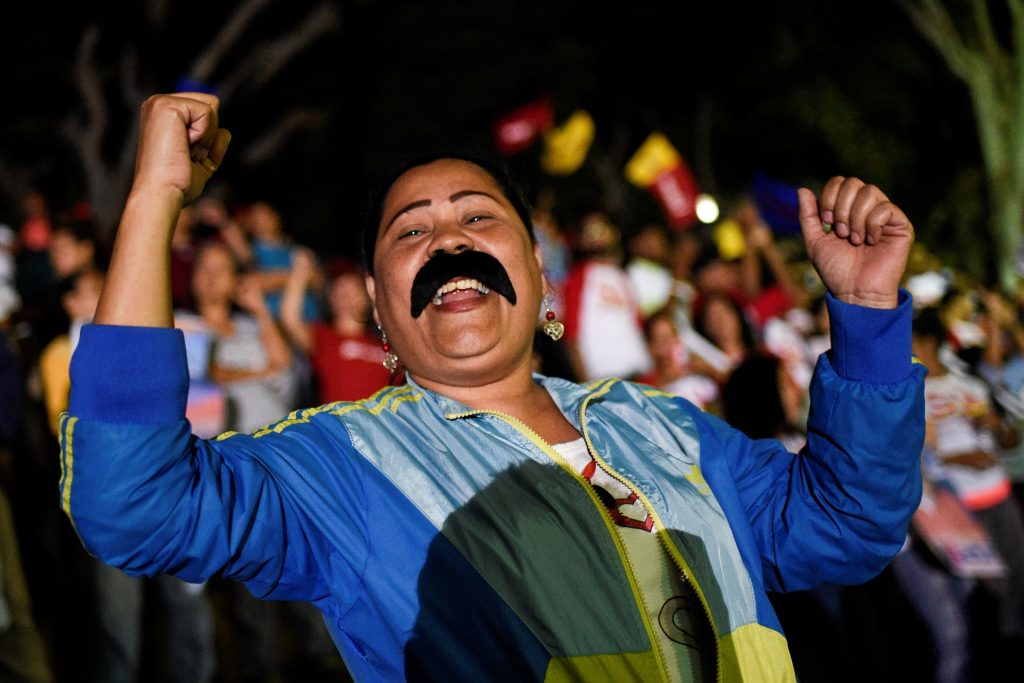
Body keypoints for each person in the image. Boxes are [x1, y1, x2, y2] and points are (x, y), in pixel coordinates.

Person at [61, 92, 924, 682]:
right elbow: (131, 502)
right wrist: (154, 199)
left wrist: (867, 313)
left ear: (542, 280)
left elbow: (847, 525)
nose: (449, 240)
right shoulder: (343, 467)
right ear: (379, 311)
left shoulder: (665, 428)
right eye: (412, 232)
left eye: (479, 216)